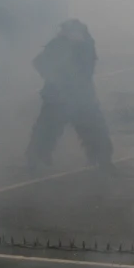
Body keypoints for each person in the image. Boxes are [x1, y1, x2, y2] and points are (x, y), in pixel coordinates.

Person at [25, 19, 114, 172]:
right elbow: (39, 63)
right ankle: (37, 159)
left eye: (74, 32)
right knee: (46, 130)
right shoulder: (57, 44)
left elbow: (87, 70)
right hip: (57, 97)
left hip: (82, 97)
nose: (68, 34)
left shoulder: (87, 46)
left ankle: (102, 160)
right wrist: (54, 79)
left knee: (96, 131)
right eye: (67, 32)